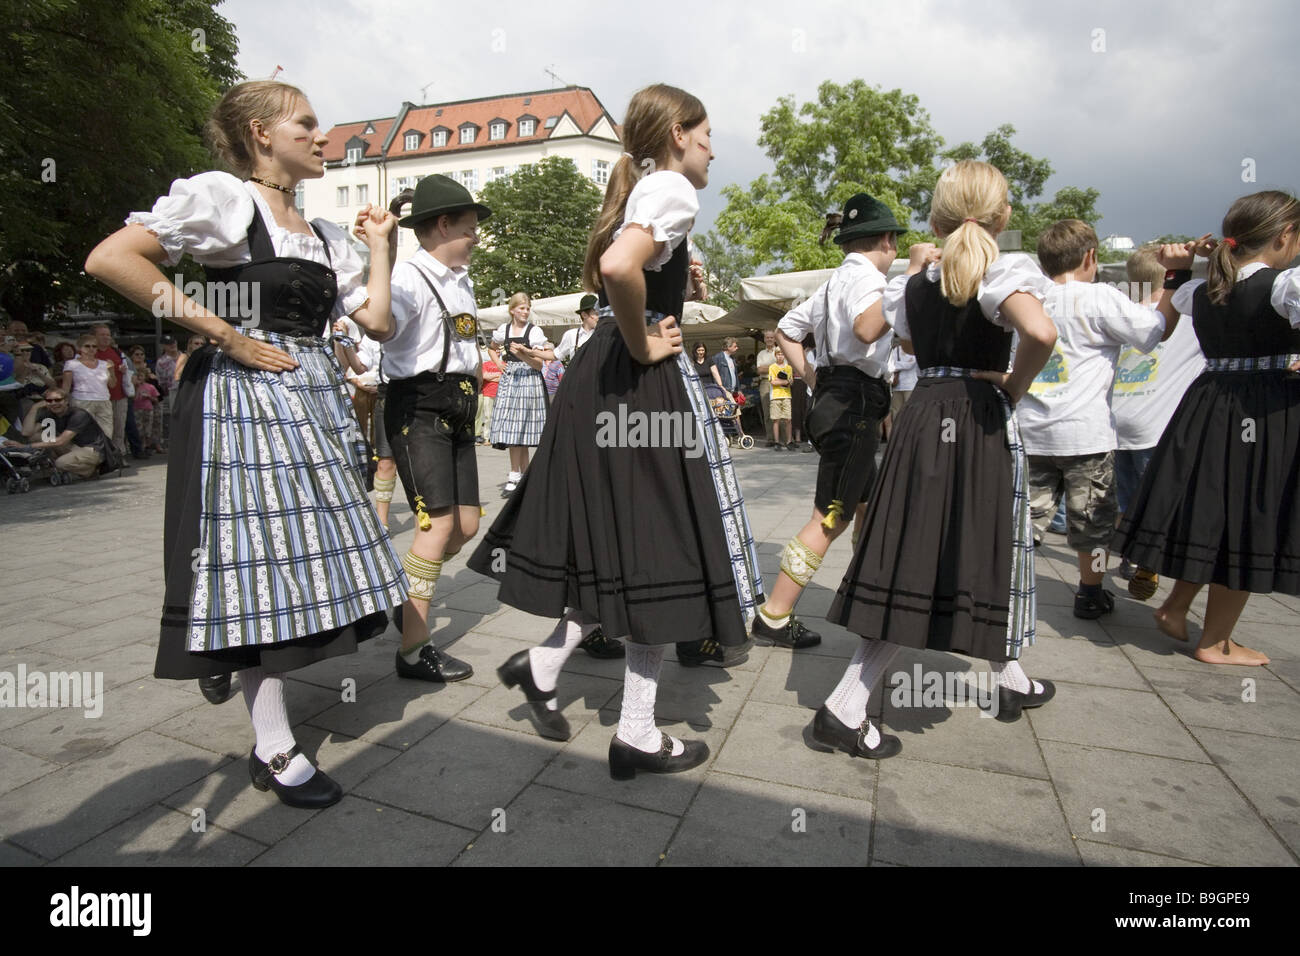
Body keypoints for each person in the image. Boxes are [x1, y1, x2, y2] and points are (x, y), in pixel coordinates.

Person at [84, 79, 407, 809]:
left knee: (301, 564)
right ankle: (274, 745)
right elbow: (111, 260)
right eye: (308, 125)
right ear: (262, 134)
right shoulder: (226, 200)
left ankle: (229, 654)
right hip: (243, 402)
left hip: (314, 404)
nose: (322, 137)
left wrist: (381, 246)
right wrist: (225, 332)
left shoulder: (322, 235)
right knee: (263, 567)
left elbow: (380, 323)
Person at [468, 83, 763, 773]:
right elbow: (617, 268)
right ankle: (635, 730)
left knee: (625, 547)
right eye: (708, 133)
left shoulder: (639, 190)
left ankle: (545, 667)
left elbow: (624, 269)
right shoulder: (672, 190)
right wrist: (642, 341)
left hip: (601, 381)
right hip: (636, 378)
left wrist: (666, 298)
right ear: (680, 133)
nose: (715, 149)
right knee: (659, 548)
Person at [820, 160, 1059, 761]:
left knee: (954, 546)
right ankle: (845, 705)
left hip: (924, 412)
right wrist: (1011, 383)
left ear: (937, 217)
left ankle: (1009, 677)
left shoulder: (914, 283)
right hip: (975, 418)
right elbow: (1043, 332)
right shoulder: (1000, 271)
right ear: (1002, 216)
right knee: (950, 552)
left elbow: (901, 339)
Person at [1114, 191, 1300, 666]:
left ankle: (1176, 609)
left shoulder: (1202, 290)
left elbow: (1166, 315)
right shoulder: (1283, 286)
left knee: (1217, 514)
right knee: (1250, 519)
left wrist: (1179, 268)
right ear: (1284, 235)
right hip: (1264, 408)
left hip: (1210, 403)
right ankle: (1215, 640)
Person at [761, 194, 903, 651]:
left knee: (866, 504)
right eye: (895, 242)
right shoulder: (869, 280)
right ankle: (775, 614)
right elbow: (866, 329)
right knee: (830, 516)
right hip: (853, 405)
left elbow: (786, 330)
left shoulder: (832, 282)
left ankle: (866, 592)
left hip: (838, 399)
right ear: (885, 240)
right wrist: (913, 283)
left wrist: (811, 376)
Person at [1016, 219, 1176, 620]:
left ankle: (1008, 588)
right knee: (1094, 524)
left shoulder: (1030, 297)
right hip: (1085, 435)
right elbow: (1154, 331)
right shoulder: (1101, 297)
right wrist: (1176, 276)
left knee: (1024, 518)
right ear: (1091, 257)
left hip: (1031, 429)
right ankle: (1091, 592)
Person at [380, 173, 486, 684]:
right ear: (443, 225)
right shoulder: (405, 279)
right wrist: (377, 256)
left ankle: (404, 595)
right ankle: (413, 648)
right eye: (469, 228)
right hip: (419, 406)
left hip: (459, 406)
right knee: (436, 526)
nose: (476, 237)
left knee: (465, 526)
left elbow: (463, 342)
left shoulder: (460, 279)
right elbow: (381, 325)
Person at [1110, 244, 1204, 593]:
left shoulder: (1122, 313)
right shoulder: (1191, 318)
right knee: (1160, 499)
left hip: (1117, 424)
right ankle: (1147, 560)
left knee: (1126, 499)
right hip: (1158, 426)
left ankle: (1128, 554)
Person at [489, 292, 553, 495]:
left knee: (522, 430)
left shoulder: (534, 332)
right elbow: (493, 347)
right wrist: (499, 362)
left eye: (527, 308)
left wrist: (522, 353)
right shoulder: (504, 330)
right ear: (512, 310)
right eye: (522, 308)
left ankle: (521, 475)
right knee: (511, 428)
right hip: (510, 381)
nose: (526, 312)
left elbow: (538, 364)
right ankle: (517, 474)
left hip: (529, 380)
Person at [14, 389, 116, 478]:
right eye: (49, 401)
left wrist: (26, 446)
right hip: (75, 446)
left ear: (66, 401)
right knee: (35, 436)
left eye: (58, 400)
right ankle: (58, 468)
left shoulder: (78, 414)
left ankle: (91, 471)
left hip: (93, 449)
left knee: (61, 463)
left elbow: (61, 441)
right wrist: (35, 408)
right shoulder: (50, 415)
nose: (54, 403)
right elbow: (27, 432)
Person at [61, 334, 115, 439]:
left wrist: (111, 370)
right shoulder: (71, 364)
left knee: (106, 434)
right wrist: (63, 404)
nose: (91, 349)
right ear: (79, 348)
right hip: (82, 402)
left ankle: (103, 455)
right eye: (87, 346)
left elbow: (112, 384)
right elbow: (66, 387)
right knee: (84, 433)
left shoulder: (104, 364)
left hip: (103, 401)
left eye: (94, 346)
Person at [554, 293, 600, 363]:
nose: (599, 317)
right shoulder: (571, 335)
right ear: (584, 315)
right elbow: (555, 355)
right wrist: (532, 352)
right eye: (596, 314)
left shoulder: (603, 334)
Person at [154, 334, 180, 448]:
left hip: (189, 389)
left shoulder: (185, 356)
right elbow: (161, 381)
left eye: (173, 342)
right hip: (173, 391)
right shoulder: (161, 362)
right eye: (169, 344)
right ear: (163, 346)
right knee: (176, 417)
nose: (172, 345)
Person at [755, 329, 778, 446]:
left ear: (775, 339)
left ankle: (782, 439)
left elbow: (783, 368)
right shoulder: (761, 354)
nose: (769, 339)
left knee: (779, 410)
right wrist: (775, 367)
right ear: (764, 339)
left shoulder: (780, 352)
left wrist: (767, 368)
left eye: (771, 337)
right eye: (767, 337)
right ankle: (770, 439)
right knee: (767, 411)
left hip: (779, 383)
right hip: (765, 382)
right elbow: (759, 370)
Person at [768, 344, 793, 448]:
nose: (780, 356)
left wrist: (781, 381)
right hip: (775, 396)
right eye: (778, 354)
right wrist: (785, 381)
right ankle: (777, 442)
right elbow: (773, 382)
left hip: (786, 395)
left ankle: (789, 441)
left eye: (782, 354)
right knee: (776, 419)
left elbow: (791, 382)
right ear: (775, 355)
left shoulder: (789, 368)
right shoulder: (772, 367)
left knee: (788, 419)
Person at [475, 341, 500, 444]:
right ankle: (486, 437)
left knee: (497, 416)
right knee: (486, 416)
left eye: (498, 350)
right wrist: (497, 375)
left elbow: (503, 378)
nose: (497, 352)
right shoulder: (485, 364)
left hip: (498, 393)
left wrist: (491, 376)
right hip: (487, 392)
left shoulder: (503, 364)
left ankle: (493, 437)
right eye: (495, 350)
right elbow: (485, 376)